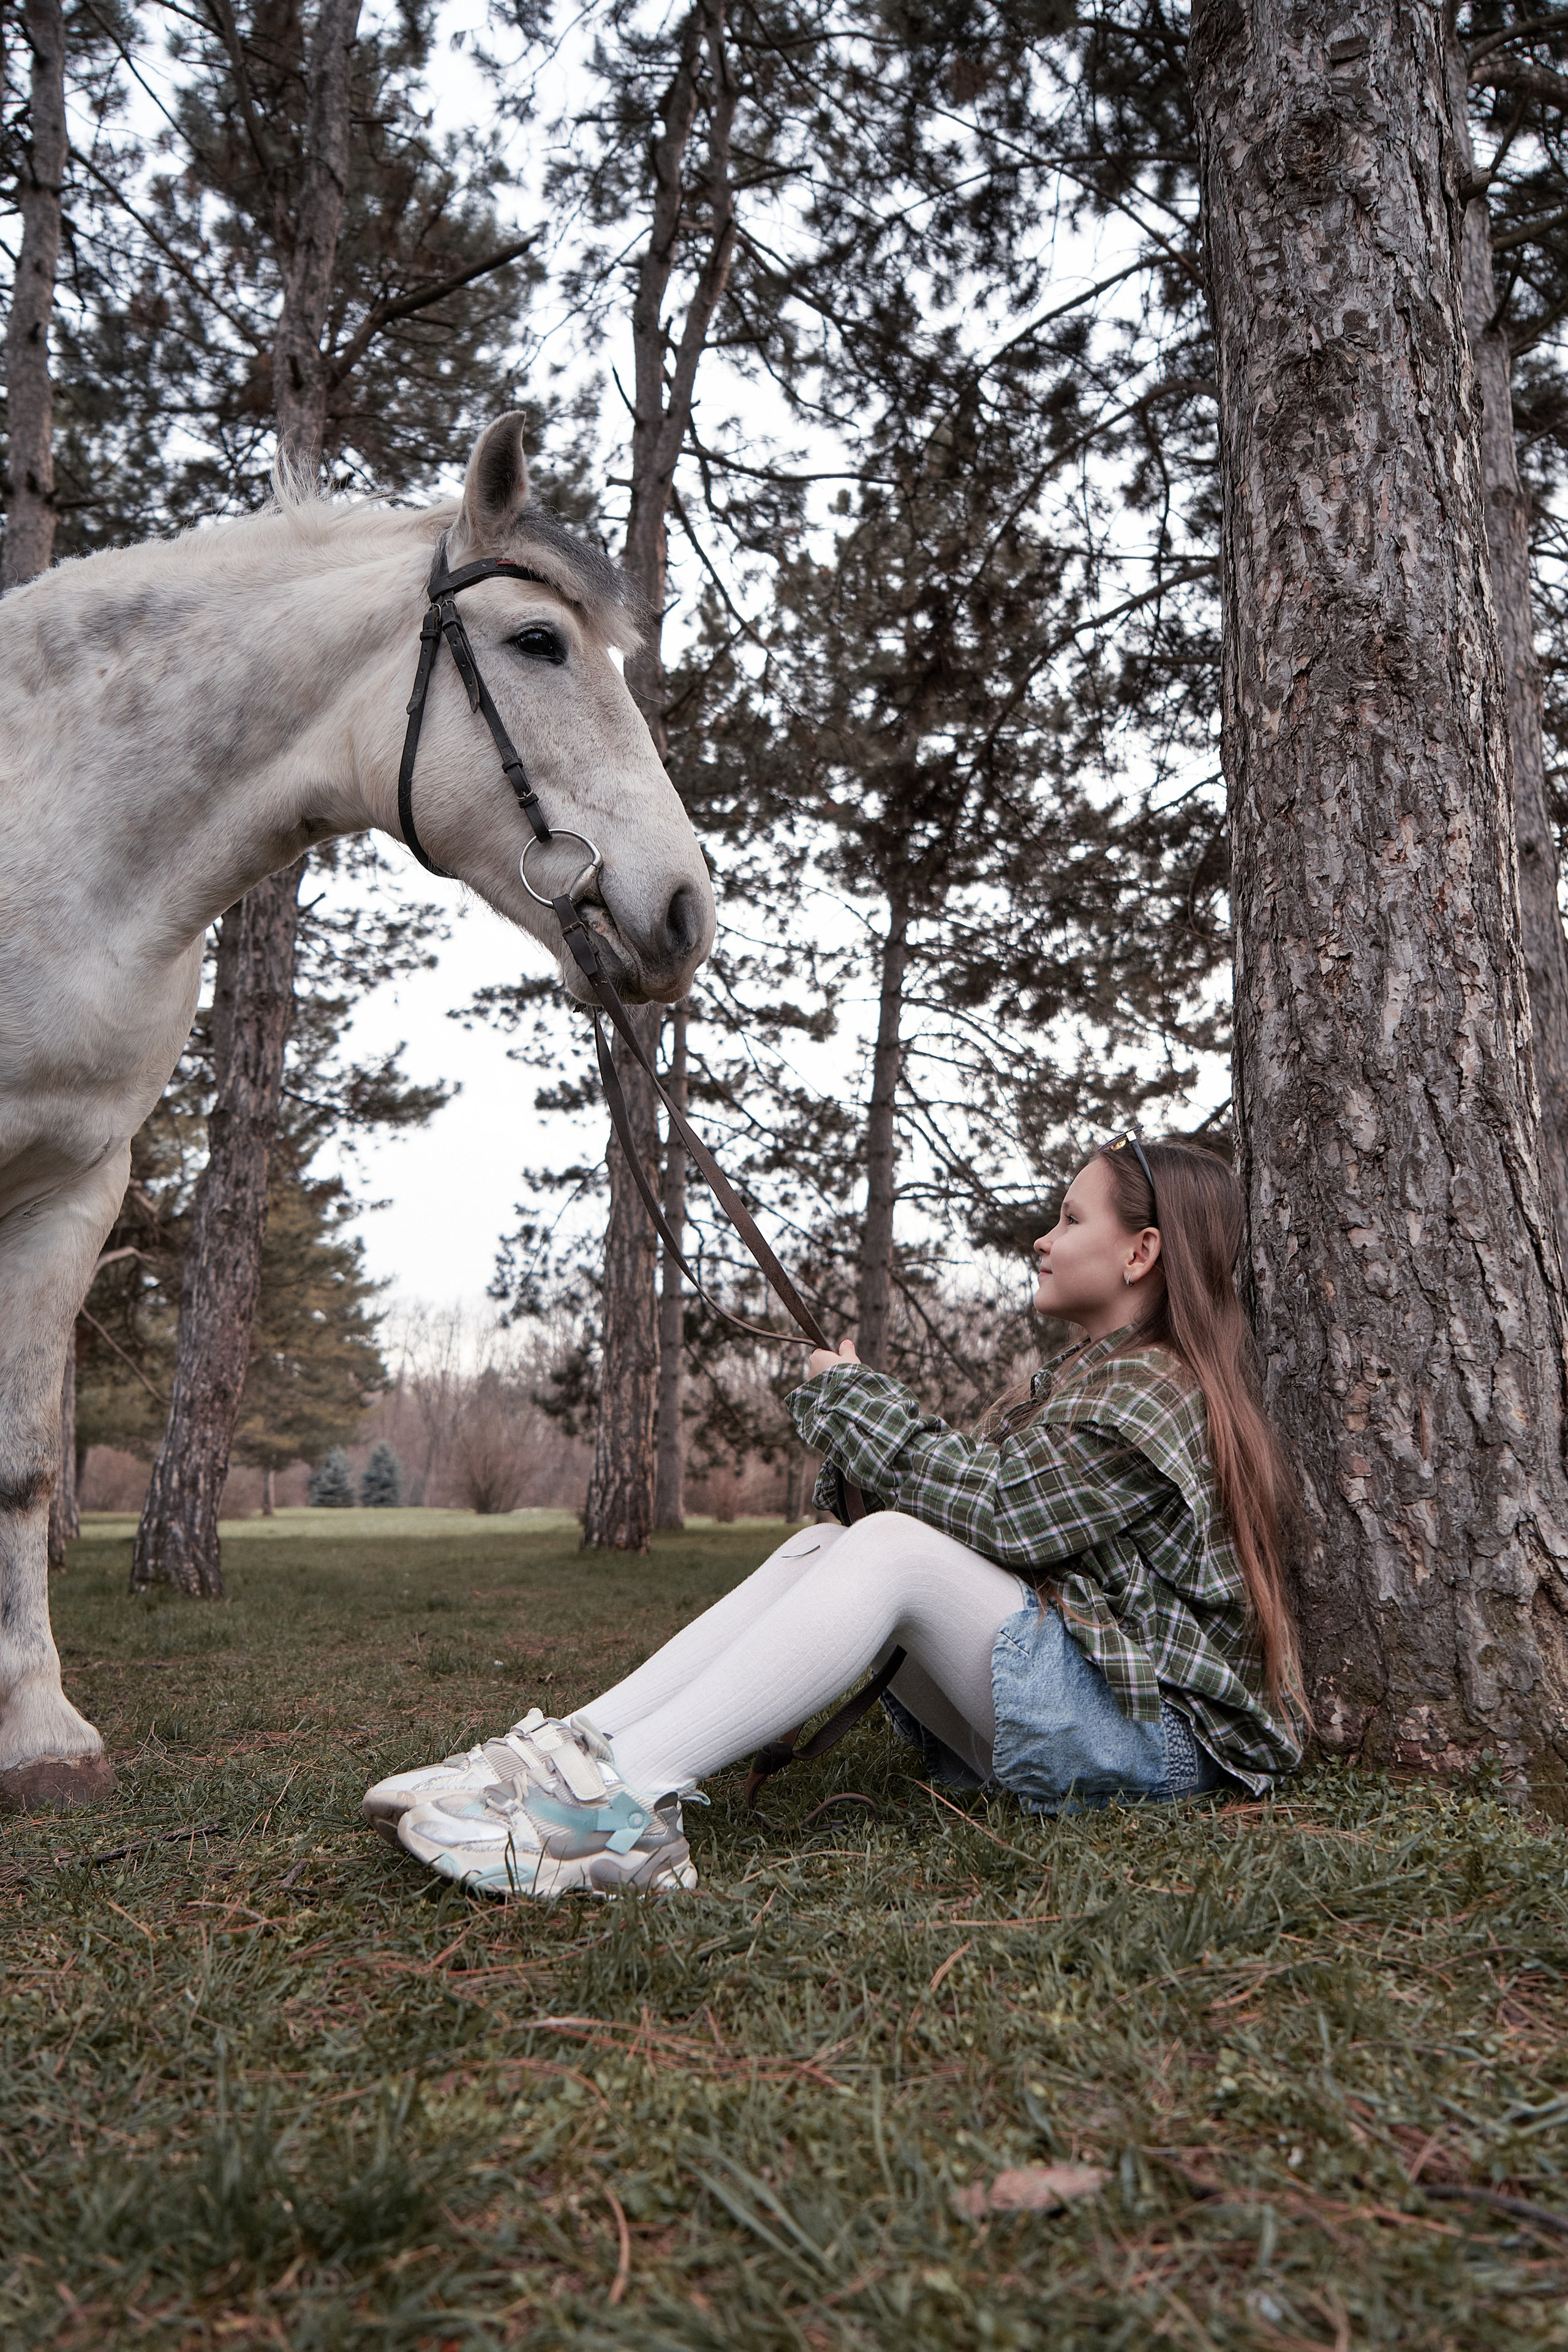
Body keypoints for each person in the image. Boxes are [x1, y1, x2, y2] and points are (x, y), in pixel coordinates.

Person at [364, 1136, 1305, 1899]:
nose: (1043, 1240)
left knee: (889, 1546)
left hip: (1160, 1743)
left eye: (1069, 1218)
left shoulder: (1154, 1389)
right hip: (1094, 1712)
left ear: (1141, 1252)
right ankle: (559, 1760)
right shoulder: (1097, 1379)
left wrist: (855, 1405)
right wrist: (858, 1430)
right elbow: (974, 1511)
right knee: (834, 1541)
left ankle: (619, 1811)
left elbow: (1002, 1512)